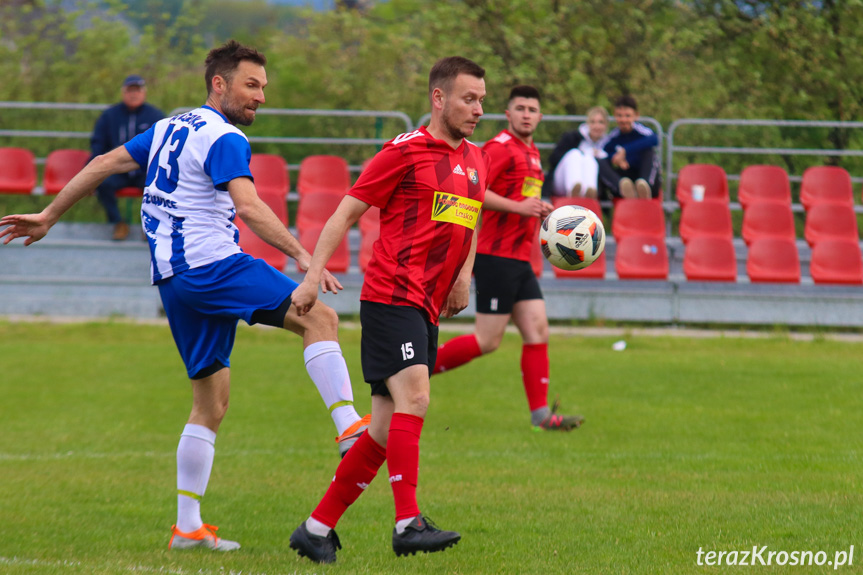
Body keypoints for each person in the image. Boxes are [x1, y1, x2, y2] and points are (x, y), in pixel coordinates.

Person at [0, 40, 369, 552]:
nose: (261, 96)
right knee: (320, 317)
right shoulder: (225, 137)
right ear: (219, 84)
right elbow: (249, 206)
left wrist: (48, 215)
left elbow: (105, 162)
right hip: (212, 265)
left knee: (210, 404)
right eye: (251, 85)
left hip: (173, 280)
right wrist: (304, 256)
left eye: (263, 86)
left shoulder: (172, 125)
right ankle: (351, 430)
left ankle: (188, 527)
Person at [285, 56, 488, 564]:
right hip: (390, 297)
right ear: (438, 98)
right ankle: (407, 522)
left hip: (428, 306)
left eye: (482, 99)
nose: (478, 109)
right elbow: (344, 212)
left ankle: (315, 528)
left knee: (380, 429)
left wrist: (464, 275)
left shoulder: (476, 159)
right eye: (469, 98)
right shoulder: (405, 152)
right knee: (415, 398)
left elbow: (472, 218)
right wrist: (312, 278)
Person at [432, 85, 584, 432]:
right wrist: (519, 206)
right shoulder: (500, 148)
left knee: (537, 330)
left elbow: (522, 199)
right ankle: (412, 370)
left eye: (533, 109)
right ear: (508, 114)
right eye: (521, 108)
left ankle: (541, 416)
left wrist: (540, 211)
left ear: (540, 117)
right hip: (495, 256)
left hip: (521, 259)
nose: (527, 114)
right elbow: (472, 190)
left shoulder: (532, 154)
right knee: (487, 341)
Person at [90, 74, 165, 240]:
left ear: (144, 92)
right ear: (123, 93)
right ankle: (118, 223)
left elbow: (164, 147)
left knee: (158, 184)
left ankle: (150, 226)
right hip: (117, 170)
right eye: (130, 90)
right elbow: (98, 144)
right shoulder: (109, 116)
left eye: (137, 90)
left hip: (144, 170)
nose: (134, 94)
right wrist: (92, 170)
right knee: (102, 184)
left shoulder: (156, 116)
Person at [597, 95, 661, 199]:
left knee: (649, 152)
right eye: (620, 115)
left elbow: (655, 139)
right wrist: (615, 158)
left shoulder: (643, 131)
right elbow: (601, 151)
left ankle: (645, 188)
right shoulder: (613, 136)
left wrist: (625, 151)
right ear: (615, 116)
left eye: (627, 116)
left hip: (644, 176)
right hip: (626, 178)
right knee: (600, 160)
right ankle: (622, 186)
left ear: (636, 116)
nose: (623, 120)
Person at [550, 106, 611, 198]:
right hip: (562, 181)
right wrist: (582, 153)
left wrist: (597, 156)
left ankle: (589, 192)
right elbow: (553, 159)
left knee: (589, 158)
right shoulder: (572, 137)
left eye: (600, 122)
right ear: (587, 123)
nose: (596, 126)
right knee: (575, 154)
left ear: (606, 125)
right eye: (593, 122)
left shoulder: (608, 145)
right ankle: (574, 189)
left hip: (594, 184)